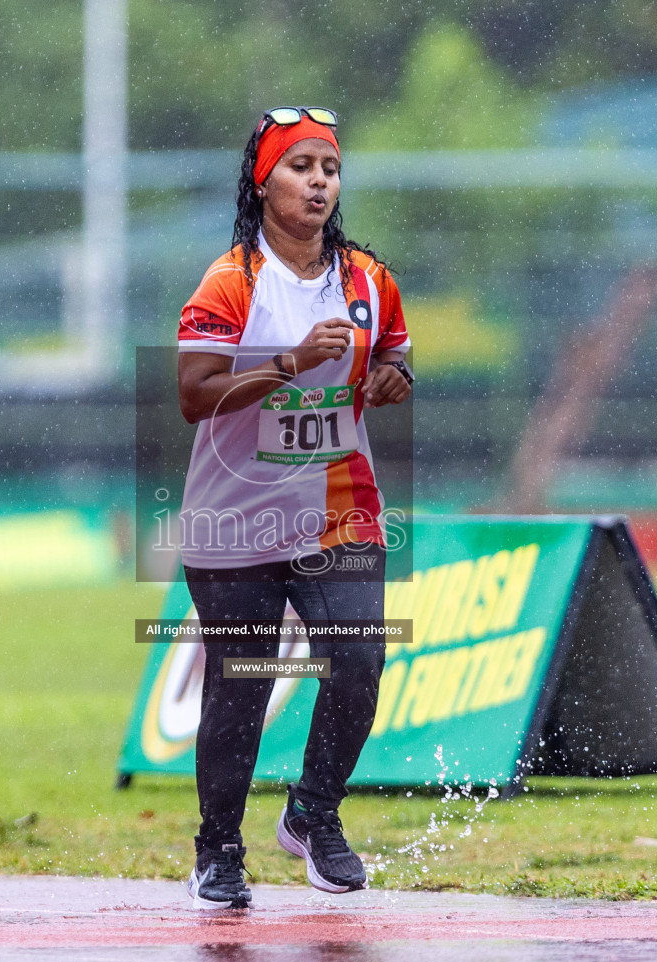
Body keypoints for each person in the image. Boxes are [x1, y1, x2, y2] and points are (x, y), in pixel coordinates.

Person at [175, 105, 414, 909]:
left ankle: (314, 813)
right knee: (241, 687)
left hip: (339, 505)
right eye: (300, 167)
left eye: (329, 169)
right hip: (236, 517)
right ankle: (218, 850)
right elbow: (192, 396)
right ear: (263, 180)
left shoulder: (369, 280)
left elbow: (394, 361)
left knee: (359, 661)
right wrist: (286, 361)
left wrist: (391, 380)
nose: (319, 182)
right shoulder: (231, 281)